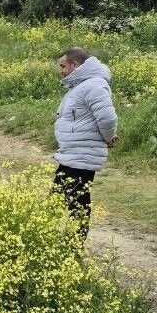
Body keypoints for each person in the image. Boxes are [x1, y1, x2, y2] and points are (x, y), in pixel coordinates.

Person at [52, 47, 118, 239]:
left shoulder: (94, 85)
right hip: (73, 153)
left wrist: (109, 138)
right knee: (59, 197)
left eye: (63, 66)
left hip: (83, 154)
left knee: (77, 201)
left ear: (75, 65)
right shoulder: (81, 85)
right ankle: (52, 241)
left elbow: (107, 119)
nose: (61, 71)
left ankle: (75, 244)